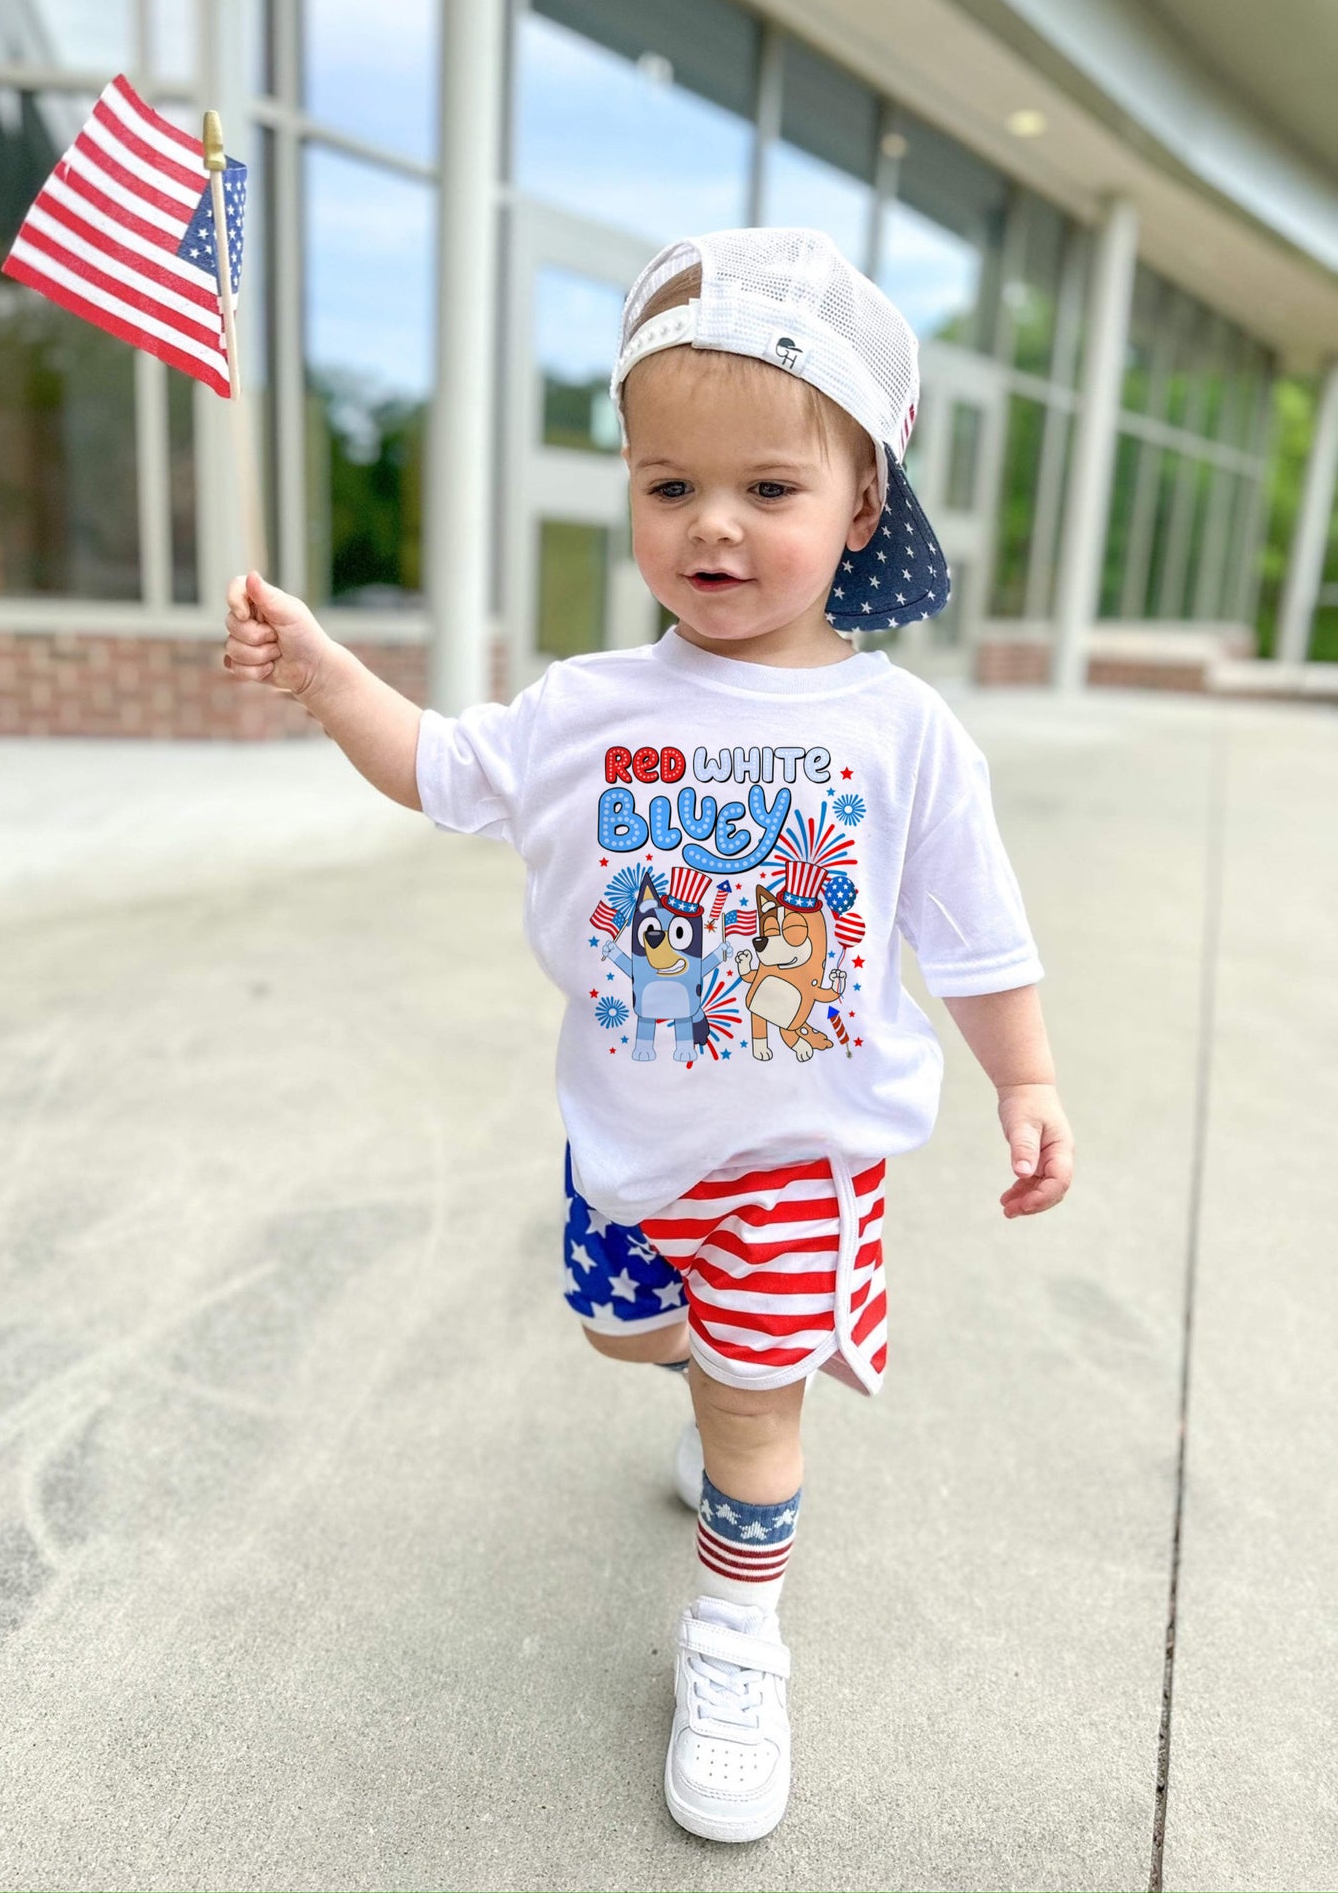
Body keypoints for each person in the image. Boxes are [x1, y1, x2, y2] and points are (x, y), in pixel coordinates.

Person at [222, 227, 1076, 1846]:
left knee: (755, 1398)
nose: (714, 525)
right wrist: (330, 671)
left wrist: (1022, 1074)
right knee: (635, 1339)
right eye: (668, 484)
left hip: (793, 1159)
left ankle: (738, 1632)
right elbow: (438, 767)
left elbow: (972, 931)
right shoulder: (588, 703)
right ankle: (724, 1393)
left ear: (859, 509)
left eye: (768, 488)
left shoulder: (899, 733)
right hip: (622, 1147)